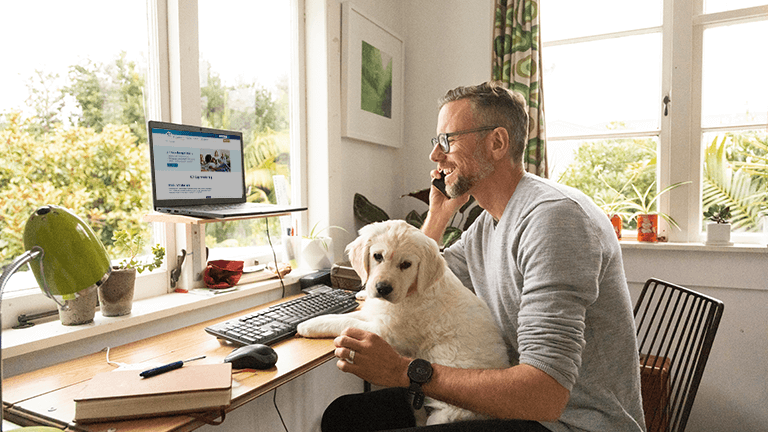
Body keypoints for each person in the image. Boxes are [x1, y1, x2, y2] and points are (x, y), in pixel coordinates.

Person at [322, 82, 645, 432]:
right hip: (516, 400)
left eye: (447, 140)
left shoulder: (555, 219)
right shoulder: (489, 224)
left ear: (497, 143)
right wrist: (439, 215)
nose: (435, 155)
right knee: (344, 416)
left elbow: (545, 395)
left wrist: (404, 372)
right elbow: (424, 282)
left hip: (566, 422)